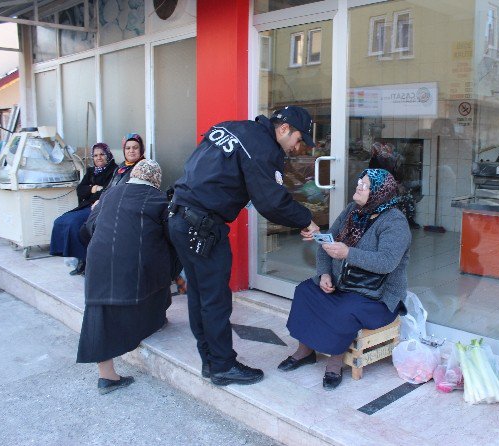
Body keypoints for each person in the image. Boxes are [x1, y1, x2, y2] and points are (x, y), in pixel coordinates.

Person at [168, 106, 320, 386]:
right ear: (284, 129)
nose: (297, 147)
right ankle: (223, 366)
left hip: (179, 216)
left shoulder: (233, 127)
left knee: (200, 296)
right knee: (215, 300)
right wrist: (306, 220)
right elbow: (272, 202)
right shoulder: (263, 147)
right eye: (299, 139)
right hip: (201, 226)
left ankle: (211, 362)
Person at [278, 168, 411, 390]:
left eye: (365, 185)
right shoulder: (353, 210)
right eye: (360, 181)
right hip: (345, 284)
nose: (359, 186)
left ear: (380, 192)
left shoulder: (394, 222)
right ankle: (305, 351)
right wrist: (325, 274)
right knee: (305, 291)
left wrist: (347, 253)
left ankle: (334, 363)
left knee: (344, 309)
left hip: (378, 297)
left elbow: (386, 262)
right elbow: (327, 244)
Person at [76, 160, 179, 394]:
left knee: (99, 312)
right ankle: (156, 318)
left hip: (99, 260)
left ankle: (106, 376)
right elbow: (172, 237)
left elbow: (89, 227)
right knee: (167, 261)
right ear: (155, 180)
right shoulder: (158, 200)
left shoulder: (110, 194)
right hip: (137, 266)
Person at [49, 143, 116, 275]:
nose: (99, 158)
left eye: (102, 154)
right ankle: (79, 259)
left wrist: (92, 190)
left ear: (108, 155)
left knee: (75, 224)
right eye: (95, 155)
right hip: (86, 206)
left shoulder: (114, 170)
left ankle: (86, 262)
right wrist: (94, 188)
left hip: (101, 207)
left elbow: (108, 192)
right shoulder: (91, 171)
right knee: (60, 221)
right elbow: (80, 191)